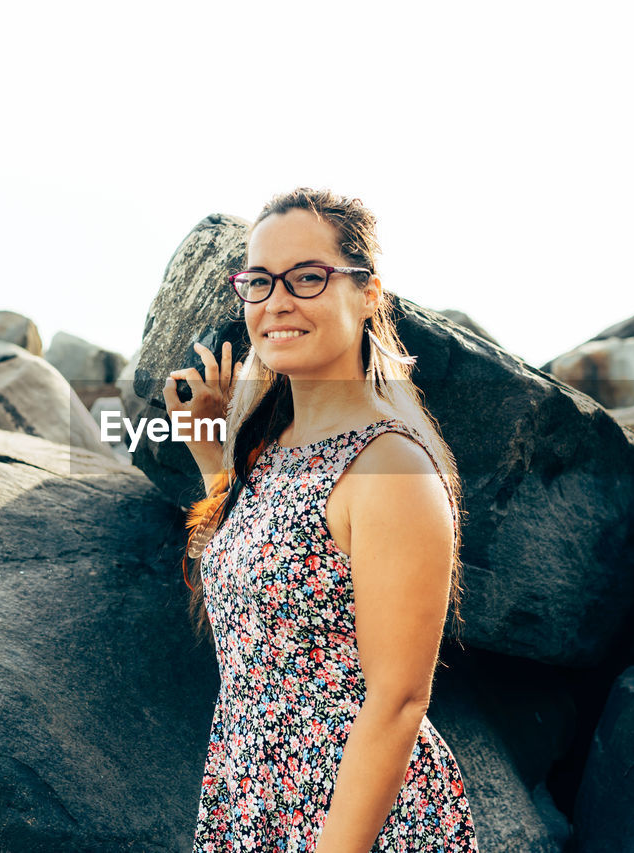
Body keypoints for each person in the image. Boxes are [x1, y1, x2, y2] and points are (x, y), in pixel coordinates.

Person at [164, 188, 480, 852]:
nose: (276, 301)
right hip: (255, 798)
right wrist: (210, 454)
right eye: (258, 281)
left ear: (368, 293)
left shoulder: (391, 466)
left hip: (353, 822)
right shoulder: (271, 450)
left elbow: (397, 704)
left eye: (308, 277)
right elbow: (253, 588)